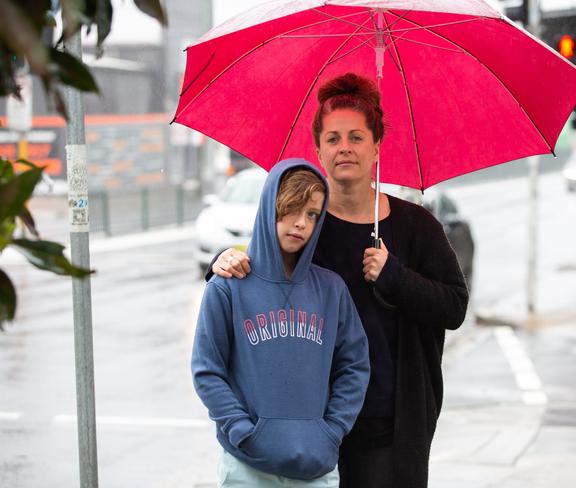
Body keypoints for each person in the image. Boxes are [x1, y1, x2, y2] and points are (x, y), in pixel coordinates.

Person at [208, 73, 469, 488]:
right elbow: (262, 272)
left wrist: (395, 277)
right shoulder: (306, 224)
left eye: (356, 137)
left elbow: (454, 307)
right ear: (317, 150)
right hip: (309, 425)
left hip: (391, 422)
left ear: (377, 146)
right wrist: (226, 260)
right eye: (332, 139)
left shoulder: (415, 226)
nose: (344, 147)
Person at [192, 158, 370, 487]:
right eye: (292, 208)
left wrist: (331, 430)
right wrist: (241, 429)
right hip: (247, 466)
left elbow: (354, 367)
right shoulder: (228, 285)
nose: (300, 223)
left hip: (316, 466)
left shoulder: (331, 289)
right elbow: (207, 370)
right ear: (270, 206)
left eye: (312, 214)